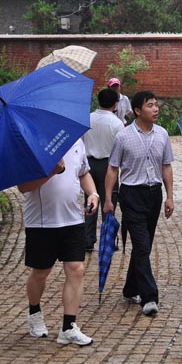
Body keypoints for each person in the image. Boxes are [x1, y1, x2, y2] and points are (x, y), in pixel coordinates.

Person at [18, 138, 100, 346]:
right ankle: (34, 312)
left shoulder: (76, 142)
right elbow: (23, 186)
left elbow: (83, 172)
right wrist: (52, 171)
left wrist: (93, 193)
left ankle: (68, 327)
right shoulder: (33, 144)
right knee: (41, 272)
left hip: (73, 218)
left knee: (76, 269)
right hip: (42, 222)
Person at [104, 90, 174, 316]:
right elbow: (113, 168)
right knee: (142, 245)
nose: (155, 109)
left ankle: (130, 288)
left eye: (156, 104)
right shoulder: (123, 137)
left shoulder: (162, 134)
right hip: (131, 194)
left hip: (154, 194)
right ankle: (149, 296)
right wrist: (108, 199)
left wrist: (170, 195)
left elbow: (166, 166)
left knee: (145, 245)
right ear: (136, 111)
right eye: (150, 105)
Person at [82, 88, 122, 252]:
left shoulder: (87, 119)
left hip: (89, 165)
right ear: (115, 104)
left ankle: (88, 240)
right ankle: (108, 241)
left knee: (90, 200)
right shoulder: (117, 123)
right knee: (109, 202)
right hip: (108, 166)